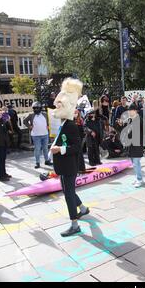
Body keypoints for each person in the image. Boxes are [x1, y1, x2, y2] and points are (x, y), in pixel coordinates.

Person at [50, 78, 90, 237]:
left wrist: (60, 148)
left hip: (69, 166)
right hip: (64, 166)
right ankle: (83, 209)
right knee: (68, 190)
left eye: (60, 105)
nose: (56, 105)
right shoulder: (63, 124)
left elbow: (77, 147)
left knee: (68, 194)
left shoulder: (71, 126)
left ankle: (75, 224)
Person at [24, 102, 52, 169]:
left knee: (45, 148)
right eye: (34, 108)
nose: (36, 109)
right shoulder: (31, 115)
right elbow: (25, 121)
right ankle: (37, 162)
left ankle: (47, 160)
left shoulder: (45, 114)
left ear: (40, 108)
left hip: (45, 134)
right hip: (36, 135)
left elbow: (48, 121)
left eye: (37, 108)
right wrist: (29, 126)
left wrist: (48, 125)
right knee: (37, 149)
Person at [123, 103, 145, 188]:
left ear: (135, 111)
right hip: (131, 145)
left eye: (130, 110)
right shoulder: (130, 120)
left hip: (137, 144)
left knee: (136, 162)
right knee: (134, 162)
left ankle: (139, 179)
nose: (129, 112)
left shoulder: (139, 120)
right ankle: (138, 178)